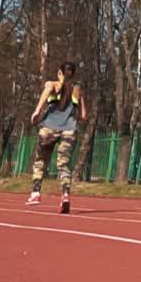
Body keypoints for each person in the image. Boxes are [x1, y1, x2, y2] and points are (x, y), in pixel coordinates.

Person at [25, 61, 87, 213]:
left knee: (40, 161)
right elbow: (84, 116)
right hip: (69, 131)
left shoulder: (52, 84)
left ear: (60, 72)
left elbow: (46, 92)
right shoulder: (77, 90)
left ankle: (36, 193)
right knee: (63, 165)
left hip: (49, 129)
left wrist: (37, 111)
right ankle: (65, 195)